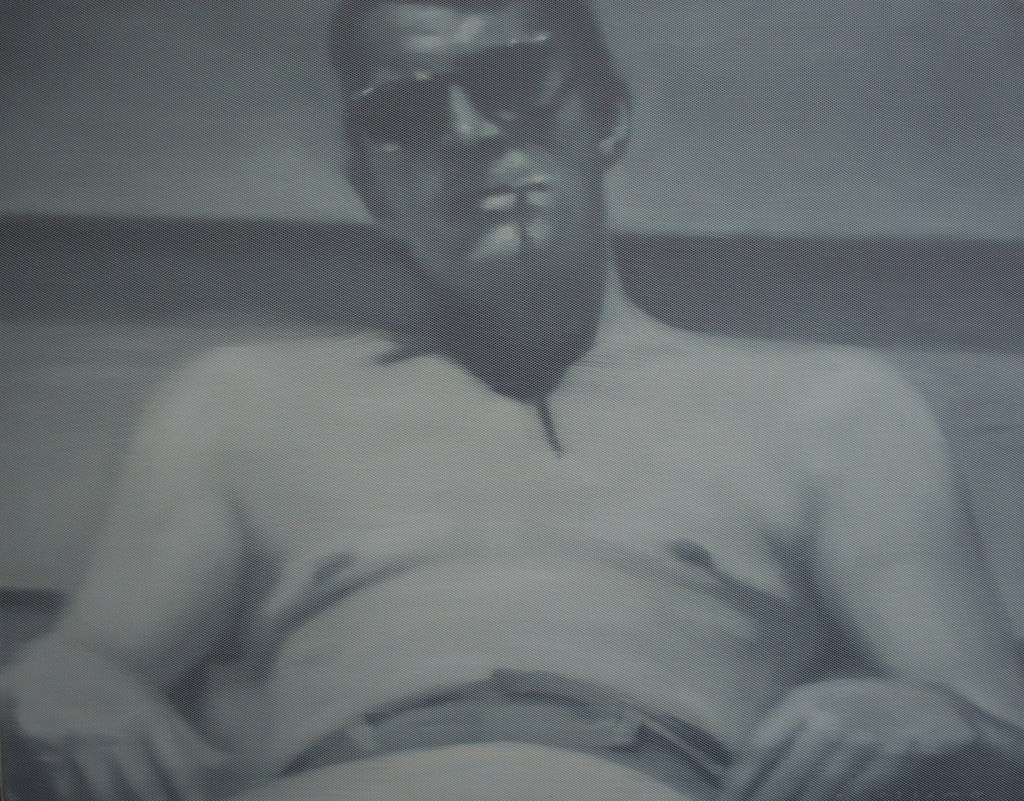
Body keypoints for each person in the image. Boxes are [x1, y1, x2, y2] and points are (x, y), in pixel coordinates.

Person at [3, 1, 1024, 799]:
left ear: (606, 117)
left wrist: (933, 716)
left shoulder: (831, 409)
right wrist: (56, 683)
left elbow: (999, 724)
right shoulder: (239, 406)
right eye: (404, 114)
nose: (466, 133)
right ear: (371, 187)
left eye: (512, 81)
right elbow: (88, 664)